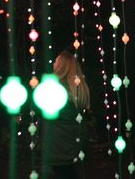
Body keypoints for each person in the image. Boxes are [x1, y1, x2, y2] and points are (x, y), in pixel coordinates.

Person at [42, 50, 90, 179]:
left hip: (58, 144)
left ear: (61, 66)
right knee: (70, 172)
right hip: (75, 141)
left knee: (63, 173)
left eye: (56, 62)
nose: (53, 65)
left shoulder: (54, 88)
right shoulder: (79, 87)